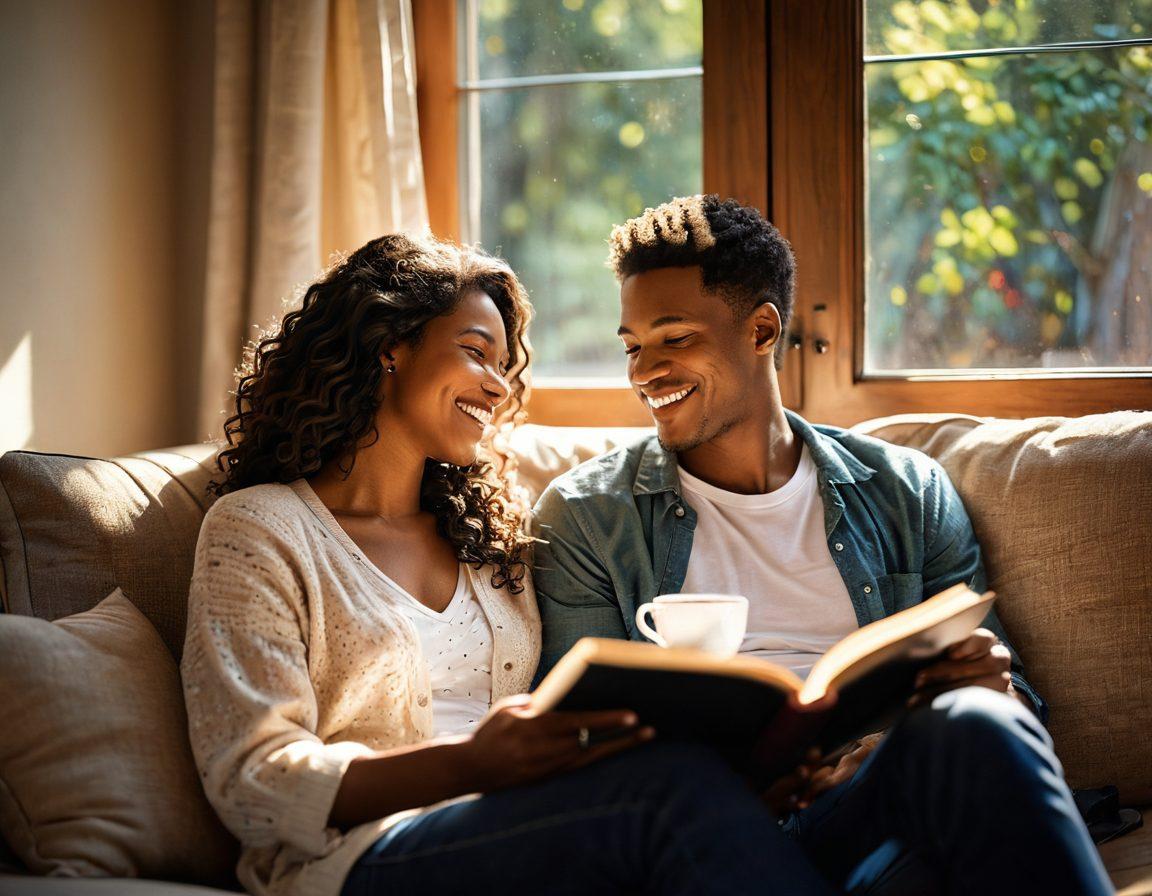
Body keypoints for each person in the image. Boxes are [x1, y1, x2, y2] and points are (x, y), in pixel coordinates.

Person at [180, 233, 839, 896]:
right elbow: (251, 780)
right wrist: (470, 765)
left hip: (527, 831)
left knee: (706, 784)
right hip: (359, 858)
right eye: (475, 354)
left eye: (504, 365)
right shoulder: (260, 530)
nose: (498, 387)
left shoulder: (491, 544)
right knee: (666, 794)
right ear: (388, 348)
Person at [531, 196, 1115, 895]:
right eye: (633, 346)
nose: (642, 372)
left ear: (762, 329)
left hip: (874, 802)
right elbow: (580, 752)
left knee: (975, 722)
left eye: (674, 338)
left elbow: (1013, 698)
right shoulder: (587, 516)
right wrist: (740, 784)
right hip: (706, 829)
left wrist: (989, 688)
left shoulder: (906, 491)